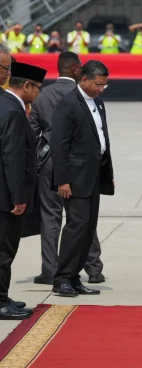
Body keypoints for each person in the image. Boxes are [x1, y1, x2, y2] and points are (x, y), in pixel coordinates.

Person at [29, 52, 106, 285]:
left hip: (50, 161)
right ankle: (93, 267)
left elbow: (32, 132)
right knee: (81, 217)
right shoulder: (85, 96)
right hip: (80, 164)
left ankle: (50, 268)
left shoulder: (42, 96)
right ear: (75, 70)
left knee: (51, 217)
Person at [50, 60, 114, 297]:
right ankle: (62, 278)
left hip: (94, 175)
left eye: (104, 86)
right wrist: (62, 180)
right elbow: (59, 144)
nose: (101, 89)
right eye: (98, 84)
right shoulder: (68, 104)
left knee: (88, 228)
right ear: (84, 80)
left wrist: (108, 173)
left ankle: (75, 276)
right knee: (76, 226)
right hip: (74, 179)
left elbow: (101, 139)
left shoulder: (97, 101)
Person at [0, 61, 47, 319]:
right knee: (4, 251)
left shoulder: (7, 105)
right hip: (7, 197)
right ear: (26, 86)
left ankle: (3, 296)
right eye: (38, 88)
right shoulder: (13, 111)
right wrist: (19, 197)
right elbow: (13, 157)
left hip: (5, 193)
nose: (39, 93)